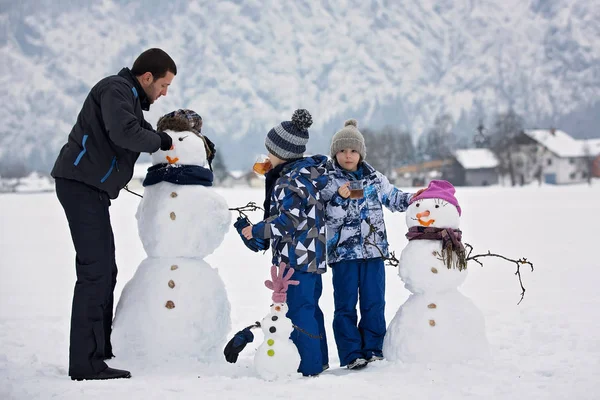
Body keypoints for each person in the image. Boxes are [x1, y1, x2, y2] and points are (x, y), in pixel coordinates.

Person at [51, 48, 177, 381]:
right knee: (96, 271)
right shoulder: (115, 90)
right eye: (164, 85)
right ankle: (85, 362)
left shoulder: (129, 99)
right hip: (80, 185)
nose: (165, 92)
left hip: (89, 189)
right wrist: (161, 141)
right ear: (147, 77)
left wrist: (172, 139)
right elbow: (126, 134)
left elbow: (142, 130)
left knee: (105, 268)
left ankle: (98, 352)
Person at [321, 119, 421, 370]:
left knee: (374, 302)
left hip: (374, 251)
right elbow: (328, 217)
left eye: (353, 150)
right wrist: (339, 198)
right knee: (345, 306)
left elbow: (394, 199)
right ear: (335, 152)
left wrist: (415, 199)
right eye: (343, 150)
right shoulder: (329, 180)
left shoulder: (374, 178)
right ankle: (351, 352)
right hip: (343, 254)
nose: (348, 155)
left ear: (361, 153)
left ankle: (373, 348)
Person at [237, 109, 330, 376]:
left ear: (283, 153)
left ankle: (309, 366)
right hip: (312, 256)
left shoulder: (289, 181)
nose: (267, 157)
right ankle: (319, 359)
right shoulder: (306, 175)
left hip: (296, 257)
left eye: (271, 152)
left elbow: (286, 221)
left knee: (299, 312)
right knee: (310, 309)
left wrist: (256, 230)